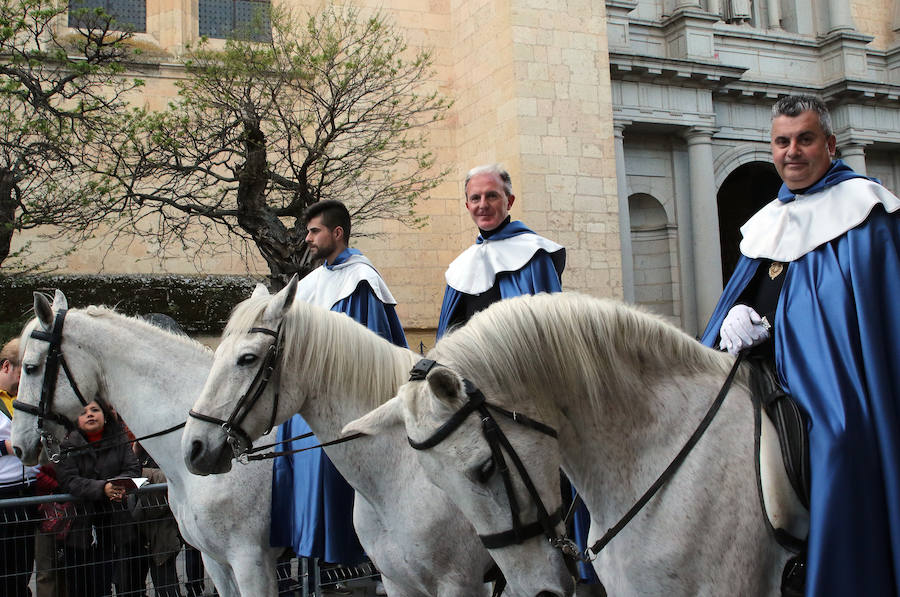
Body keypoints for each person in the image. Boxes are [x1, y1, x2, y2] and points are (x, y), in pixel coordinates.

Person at [700, 94, 900, 597]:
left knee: (838, 440)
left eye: (805, 139)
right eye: (782, 141)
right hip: (752, 375)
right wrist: (730, 320)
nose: (793, 151)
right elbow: (747, 295)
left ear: (829, 145)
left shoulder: (865, 211)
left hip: (835, 381)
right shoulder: (768, 220)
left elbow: (872, 321)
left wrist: (778, 331)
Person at [435, 165, 605, 589]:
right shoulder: (461, 267)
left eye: (491, 196)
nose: (483, 205)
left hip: (525, 393)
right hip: (478, 396)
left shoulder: (533, 253)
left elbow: (546, 327)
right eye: (475, 198)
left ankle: (563, 556)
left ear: (509, 201)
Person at [271, 200, 407, 596]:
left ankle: (360, 571)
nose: (308, 239)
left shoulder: (360, 280)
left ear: (338, 233)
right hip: (307, 413)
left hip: (342, 415)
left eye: (314, 231)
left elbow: (370, 358)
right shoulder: (311, 283)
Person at [57, 399, 142, 597]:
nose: (90, 414)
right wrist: (103, 488)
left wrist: (117, 485)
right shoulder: (68, 445)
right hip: (81, 527)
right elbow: (69, 480)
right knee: (84, 585)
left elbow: (133, 468)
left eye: (95, 410)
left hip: (116, 525)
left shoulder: (120, 439)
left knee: (122, 580)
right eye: (83, 412)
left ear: (105, 416)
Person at [0, 338, 39, 597]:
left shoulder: (24, 398)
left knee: (22, 570)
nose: (23, 381)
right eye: (21, 372)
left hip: (28, 494)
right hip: (3, 497)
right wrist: (6, 447)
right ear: (6, 367)